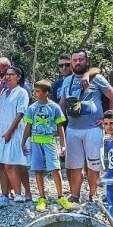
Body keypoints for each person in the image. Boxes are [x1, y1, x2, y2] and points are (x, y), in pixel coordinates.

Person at [59, 49, 113, 203]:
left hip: (93, 128)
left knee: (94, 164)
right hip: (72, 128)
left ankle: (93, 194)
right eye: (75, 60)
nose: (78, 63)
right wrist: (57, 123)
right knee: (74, 165)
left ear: (87, 61)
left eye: (81, 59)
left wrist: (108, 118)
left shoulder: (97, 78)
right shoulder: (66, 81)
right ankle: (74, 195)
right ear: (71, 63)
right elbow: (62, 103)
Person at [22, 80, 72, 212]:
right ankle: (41, 197)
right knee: (38, 169)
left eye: (38, 91)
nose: (35, 93)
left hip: (50, 140)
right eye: (34, 91)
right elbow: (28, 126)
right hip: (35, 141)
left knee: (55, 169)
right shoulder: (32, 108)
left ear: (46, 93)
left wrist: (63, 145)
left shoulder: (55, 107)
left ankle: (61, 196)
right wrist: (22, 143)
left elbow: (60, 127)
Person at [0, 66, 30, 205]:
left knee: (10, 164)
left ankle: (18, 193)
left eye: (11, 74)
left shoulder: (21, 92)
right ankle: (4, 195)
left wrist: (9, 132)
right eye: (6, 74)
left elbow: (20, 113)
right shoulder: (3, 91)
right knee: (0, 163)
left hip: (13, 129)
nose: (8, 77)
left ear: (18, 77)